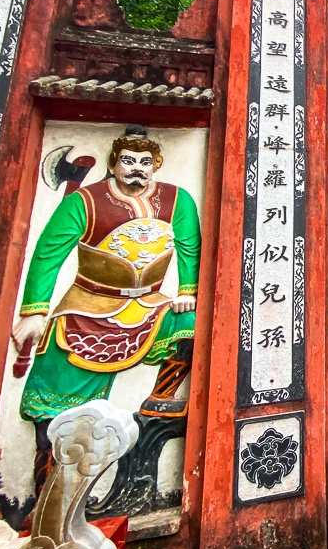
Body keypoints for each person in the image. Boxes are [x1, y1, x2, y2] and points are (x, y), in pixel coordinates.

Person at [11, 126, 200, 495]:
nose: (137, 169)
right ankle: (48, 489)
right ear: (114, 163)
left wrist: (187, 291)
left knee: (191, 325)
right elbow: (49, 253)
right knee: (54, 398)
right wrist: (34, 310)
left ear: (155, 166)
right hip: (89, 302)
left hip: (150, 302)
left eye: (145, 162)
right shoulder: (84, 201)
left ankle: (160, 400)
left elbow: (190, 248)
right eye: (128, 161)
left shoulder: (178, 200)